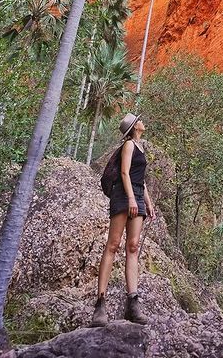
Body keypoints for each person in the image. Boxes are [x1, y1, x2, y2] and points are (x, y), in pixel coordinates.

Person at [91, 112, 155, 326]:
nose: (142, 121)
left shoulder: (140, 147)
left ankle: (133, 301)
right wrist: (130, 199)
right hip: (123, 195)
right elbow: (125, 173)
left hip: (136, 193)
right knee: (113, 244)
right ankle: (100, 303)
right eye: (140, 119)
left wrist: (147, 202)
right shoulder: (128, 145)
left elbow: (140, 179)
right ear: (135, 126)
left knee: (133, 246)